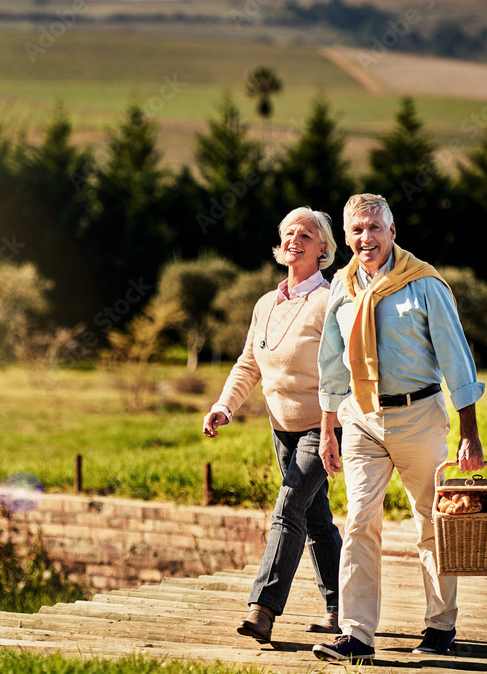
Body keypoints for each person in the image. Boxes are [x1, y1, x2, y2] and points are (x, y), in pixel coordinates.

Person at [312, 193, 485, 663]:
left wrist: (469, 433)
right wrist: (328, 430)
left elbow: (457, 360)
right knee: (359, 523)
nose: (366, 238)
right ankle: (356, 634)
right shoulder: (342, 290)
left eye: (374, 228)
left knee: (431, 521)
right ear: (346, 239)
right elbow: (331, 366)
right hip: (361, 420)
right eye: (357, 230)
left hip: (418, 416)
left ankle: (440, 623)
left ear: (392, 232)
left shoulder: (424, 284)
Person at [202, 206, 344, 642]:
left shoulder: (330, 300)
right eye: (288, 232)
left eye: (306, 234)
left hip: (323, 425)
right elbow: (249, 364)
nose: (294, 239)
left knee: (287, 508)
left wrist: (327, 429)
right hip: (280, 427)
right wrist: (224, 406)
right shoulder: (266, 303)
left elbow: (343, 370)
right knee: (316, 519)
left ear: (324, 248)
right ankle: (344, 608)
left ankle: (263, 609)